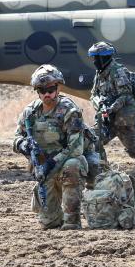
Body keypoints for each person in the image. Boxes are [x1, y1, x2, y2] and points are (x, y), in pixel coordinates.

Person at [13, 65, 87, 230]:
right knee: (49, 223)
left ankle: (72, 220)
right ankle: (53, 216)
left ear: (58, 88)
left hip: (64, 163)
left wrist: (53, 163)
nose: (47, 94)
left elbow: (75, 147)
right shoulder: (30, 112)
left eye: (51, 89)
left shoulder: (69, 110)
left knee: (73, 165)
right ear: (37, 91)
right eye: (42, 90)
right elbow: (17, 137)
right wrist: (23, 144)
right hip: (43, 169)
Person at [88, 41, 135, 195]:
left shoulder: (118, 72)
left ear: (106, 57)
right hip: (106, 119)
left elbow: (125, 96)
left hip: (124, 120)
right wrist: (100, 106)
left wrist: (110, 109)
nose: (95, 61)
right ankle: (103, 176)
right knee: (93, 141)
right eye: (93, 57)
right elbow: (93, 95)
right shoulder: (99, 74)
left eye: (97, 57)